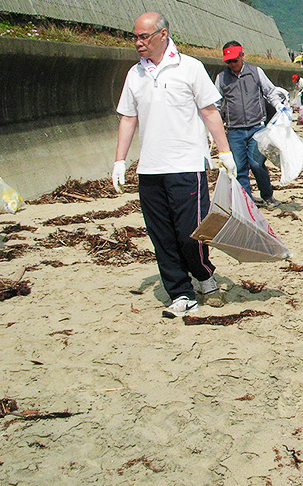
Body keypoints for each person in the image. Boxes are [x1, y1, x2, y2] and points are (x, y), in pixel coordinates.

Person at [112, 12, 237, 318]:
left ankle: (205, 276)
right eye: (136, 37)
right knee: (161, 235)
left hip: (187, 165)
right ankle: (180, 292)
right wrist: (119, 160)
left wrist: (225, 152)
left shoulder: (189, 67)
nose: (139, 43)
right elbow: (129, 118)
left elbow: (209, 111)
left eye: (145, 36)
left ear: (163, 34)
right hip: (150, 169)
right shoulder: (135, 75)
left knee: (189, 232)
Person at [215, 41, 287, 209]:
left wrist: (279, 106)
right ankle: (247, 203)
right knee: (239, 168)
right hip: (235, 131)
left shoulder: (256, 72)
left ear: (242, 56)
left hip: (257, 128)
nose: (232, 64)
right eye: (229, 61)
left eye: (235, 60)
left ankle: (267, 196)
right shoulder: (221, 78)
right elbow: (216, 104)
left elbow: (270, 92)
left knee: (256, 164)